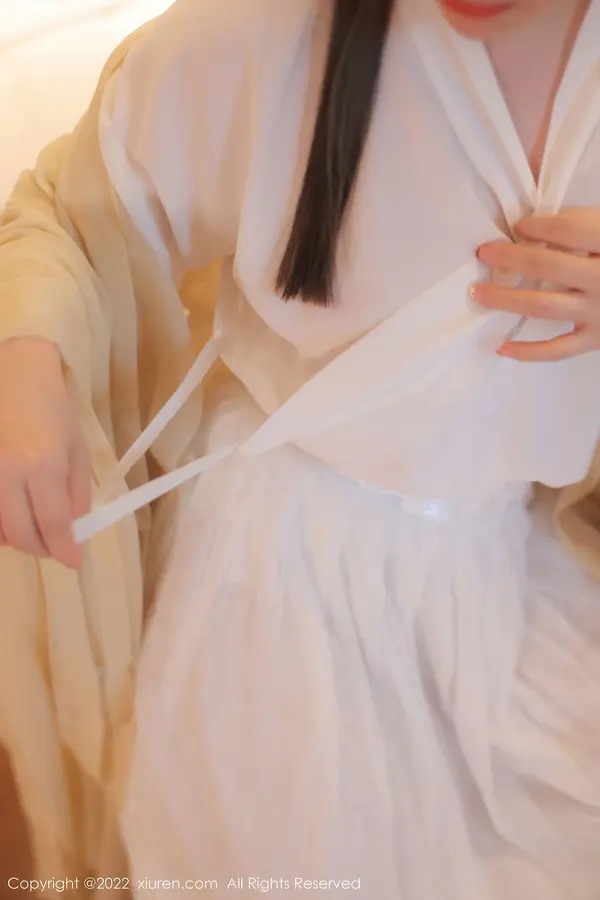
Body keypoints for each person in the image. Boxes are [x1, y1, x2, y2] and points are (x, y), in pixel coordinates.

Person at [0, 0, 599, 895]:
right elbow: (67, 211)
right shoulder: (270, 30)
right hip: (285, 574)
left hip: (514, 570)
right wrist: (24, 358)